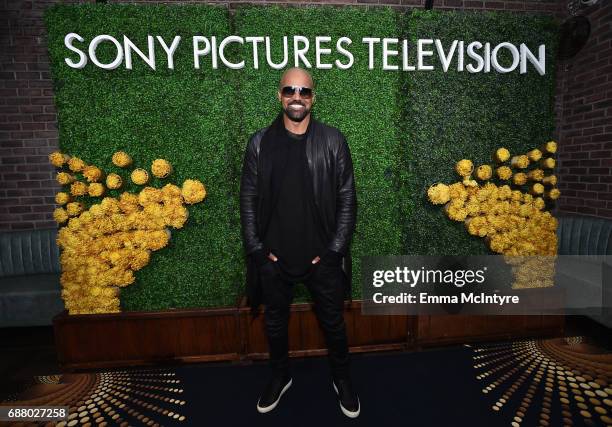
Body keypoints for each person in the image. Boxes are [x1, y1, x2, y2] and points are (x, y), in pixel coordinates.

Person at [239, 67, 359, 418]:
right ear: (279, 95)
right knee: (274, 322)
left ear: (312, 98)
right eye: (290, 90)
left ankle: (342, 378)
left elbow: (348, 199)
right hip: (274, 258)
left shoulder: (333, 141)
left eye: (304, 91)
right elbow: (247, 200)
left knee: (333, 323)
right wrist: (259, 252)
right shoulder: (259, 143)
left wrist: (335, 251)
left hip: (322, 257)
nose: (297, 96)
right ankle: (280, 376)